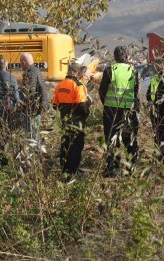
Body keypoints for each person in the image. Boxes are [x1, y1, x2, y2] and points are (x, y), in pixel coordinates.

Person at [99, 46, 139, 177]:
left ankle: (113, 169)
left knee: (111, 139)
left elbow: (102, 91)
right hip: (129, 110)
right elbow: (136, 91)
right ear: (127, 56)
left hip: (111, 110)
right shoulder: (133, 71)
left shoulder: (110, 70)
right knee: (129, 139)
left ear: (114, 57)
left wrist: (106, 103)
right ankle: (130, 168)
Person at [53, 62, 91, 175]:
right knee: (76, 145)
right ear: (77, 73)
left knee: (66, 143)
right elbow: (81, 105)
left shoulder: (60, 85)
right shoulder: (78, 85)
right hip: (77, 121)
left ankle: (65, 169)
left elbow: (55, 105)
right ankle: (73, 170)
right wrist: (87, 112)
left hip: (65, 120)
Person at [19, 53, 49, 148]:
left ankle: (34, 153)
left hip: (32, 108)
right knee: (34, 132)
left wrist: (21, 102)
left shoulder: (30, 72)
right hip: (38, 106)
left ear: (24, 62)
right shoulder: (36, 70)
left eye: (21, 62)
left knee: (31, 133)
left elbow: (29, 91)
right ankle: (36, 153)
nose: (20, 65)